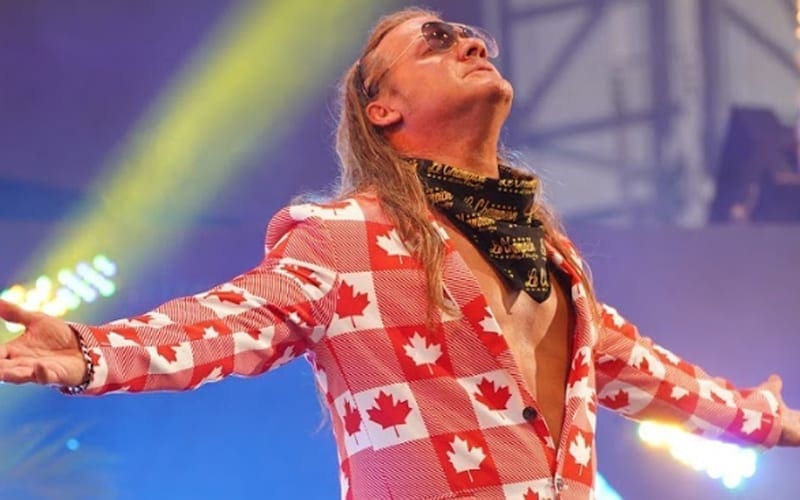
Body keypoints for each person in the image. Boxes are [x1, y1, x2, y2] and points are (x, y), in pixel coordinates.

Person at [0, 7, 798, 499]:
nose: (471, 41)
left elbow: (645, 373)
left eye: (470, 33)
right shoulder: (342, 238)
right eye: (436, 41)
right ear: (382, 108)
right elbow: (226, 323)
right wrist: (89, 350)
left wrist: (772, 423)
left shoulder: (550, 257)